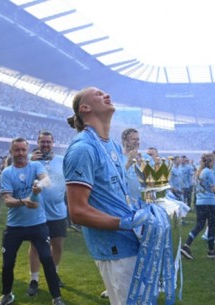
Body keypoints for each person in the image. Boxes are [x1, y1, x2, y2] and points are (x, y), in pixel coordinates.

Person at [63, 87, 174, 305]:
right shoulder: (83, 148)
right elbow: (77, 212)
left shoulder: (112, 145)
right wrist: (125, 222)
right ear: (85, 108)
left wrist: (152, 208)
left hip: (132, 240)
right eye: (98, 94)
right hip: (115, 249)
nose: (106, 95)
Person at [0, 137, 64, 305]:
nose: (20, 153)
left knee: (47, 259)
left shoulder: (35, 166)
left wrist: (39, 185)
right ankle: (7, 295)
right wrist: (23, 201)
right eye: (16, 150)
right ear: (11, 152)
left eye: (23, 150)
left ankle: (56, 298)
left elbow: (46, 180)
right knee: (8, 263)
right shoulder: (7, 173)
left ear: (28, 151)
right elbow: (7, 201)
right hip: (15, 226)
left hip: (38, 224)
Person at [27, 131, 67, 296]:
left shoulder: (62, 161)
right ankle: (34, 279)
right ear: (37, 142)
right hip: (37, 212)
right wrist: (29, 163)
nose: (45, 145)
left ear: (53, 143)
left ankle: (54, 274)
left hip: (58, 212)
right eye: (42, 142)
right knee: (35, 246)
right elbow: (19, 177)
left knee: (57, 245)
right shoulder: (30, 161)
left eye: (48, 142)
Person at [181, 153, 215, 260]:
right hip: (210, 202)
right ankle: (211, 251)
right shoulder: (209, 172)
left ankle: (186, 245)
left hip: (200, 202)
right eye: (214, 161)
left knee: (199, 225)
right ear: (209, 162)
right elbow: (213, 189)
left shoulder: (198, 172)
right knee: (212, 226)